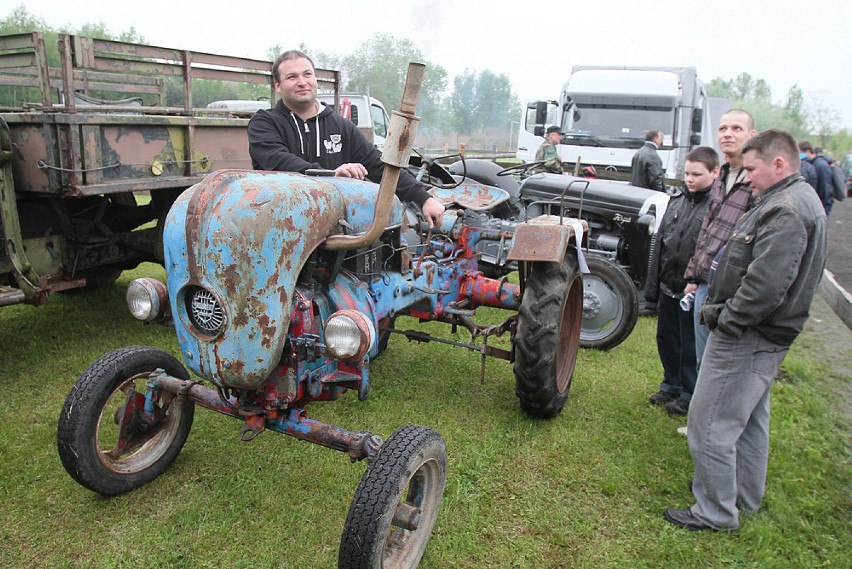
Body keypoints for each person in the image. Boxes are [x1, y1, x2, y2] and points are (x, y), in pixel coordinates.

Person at [664, 129, 827, 531]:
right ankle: (741, 496)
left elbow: (765, 285)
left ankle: (715, 511)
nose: (747, 178)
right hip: (763, 336)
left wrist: (726, 320)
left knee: (709, 423)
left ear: (779, 163)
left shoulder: (786, 209)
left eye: (752, 170)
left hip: (747, 336)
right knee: (750, 419)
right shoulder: (787, 200)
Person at [247, 50, 444, 227]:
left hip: (333, 228)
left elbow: (379, 166)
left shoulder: (340, 126)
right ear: (278, 86)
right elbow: (278, 162)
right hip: (281, 225)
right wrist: (331, 175)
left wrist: (423, 198)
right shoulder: (264, 123)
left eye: (307, 74)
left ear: (315, 79)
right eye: (292, 77)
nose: (302, 82)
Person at [645, 147, 718, 415]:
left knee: (690, 345)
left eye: (697, 174)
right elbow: (661, 243)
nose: (690, 179)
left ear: (714, 172)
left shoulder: (716, 208)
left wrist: (699, 280)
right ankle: (670, 384)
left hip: (692, 289)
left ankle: (689, 393)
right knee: (667, 338)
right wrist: (652, 288)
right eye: (687, 173)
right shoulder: (676, 201)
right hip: (668, 285)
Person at [683, 109, 757, 374]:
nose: (728, 134)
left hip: (734, 287)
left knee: (727, 361)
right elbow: (708, 228)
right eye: (723, 128)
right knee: (704, 358)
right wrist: (693, 275)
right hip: (706, 282)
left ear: (752, 135)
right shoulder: (722, 175)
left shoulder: (756, 179)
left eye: (736, 128)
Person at [799, 141, 833, 216]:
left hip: (820, 209)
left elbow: (825, 190)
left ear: (808, 151)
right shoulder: (813, 163)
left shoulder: (821, 165)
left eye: (800, 152)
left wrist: (822, 212)